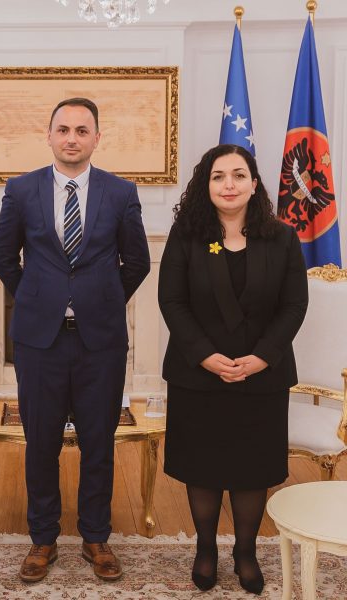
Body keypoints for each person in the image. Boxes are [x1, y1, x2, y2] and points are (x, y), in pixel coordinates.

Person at [0, 97, 150, 582]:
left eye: (82, 130)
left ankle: (96, 537)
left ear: (97, 138)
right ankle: (42, 538)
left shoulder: (120, 192)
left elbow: (137, 262)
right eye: (63, 129)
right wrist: (39, 298)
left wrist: (100, 300)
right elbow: (3, 258)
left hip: (100, 342)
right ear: (49, 135)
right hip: (40, 342)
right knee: (41, 442)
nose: (72, 138)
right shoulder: (21, 189)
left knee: (98, 442)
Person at [158, 144, 308, 595]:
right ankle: (205, 549)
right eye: (218, 176)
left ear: (254, 184)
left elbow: (294, 305)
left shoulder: (282, 238)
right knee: (202, 467)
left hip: (261, 377)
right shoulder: (186, 235)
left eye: (239, 175)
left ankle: (246, 552)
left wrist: (263, 357)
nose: (229, 185)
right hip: (197, 375)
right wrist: (205, 355)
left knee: (251, 469)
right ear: (206, 185)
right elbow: (172, 301)